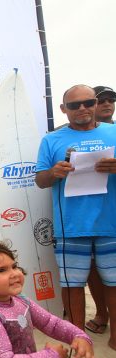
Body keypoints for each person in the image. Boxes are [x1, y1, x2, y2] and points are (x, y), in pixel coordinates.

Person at [35, 84, 116, 351]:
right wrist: (54, 172)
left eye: (88, 103)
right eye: (74, 105)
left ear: (94, 104)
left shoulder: (113, 132)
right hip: (70, 225)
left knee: (114, 283)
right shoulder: (51, 140)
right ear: (63, 110)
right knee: (72, 285)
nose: (82, 108)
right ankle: (78, 339)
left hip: (111, 223)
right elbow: (40, 180)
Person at [84, 85, 116, 334]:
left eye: (111, 100)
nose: (106, 104)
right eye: (101, 100)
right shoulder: (66, 135)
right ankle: (101, 313)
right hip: (89, 218)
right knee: (94, 269)